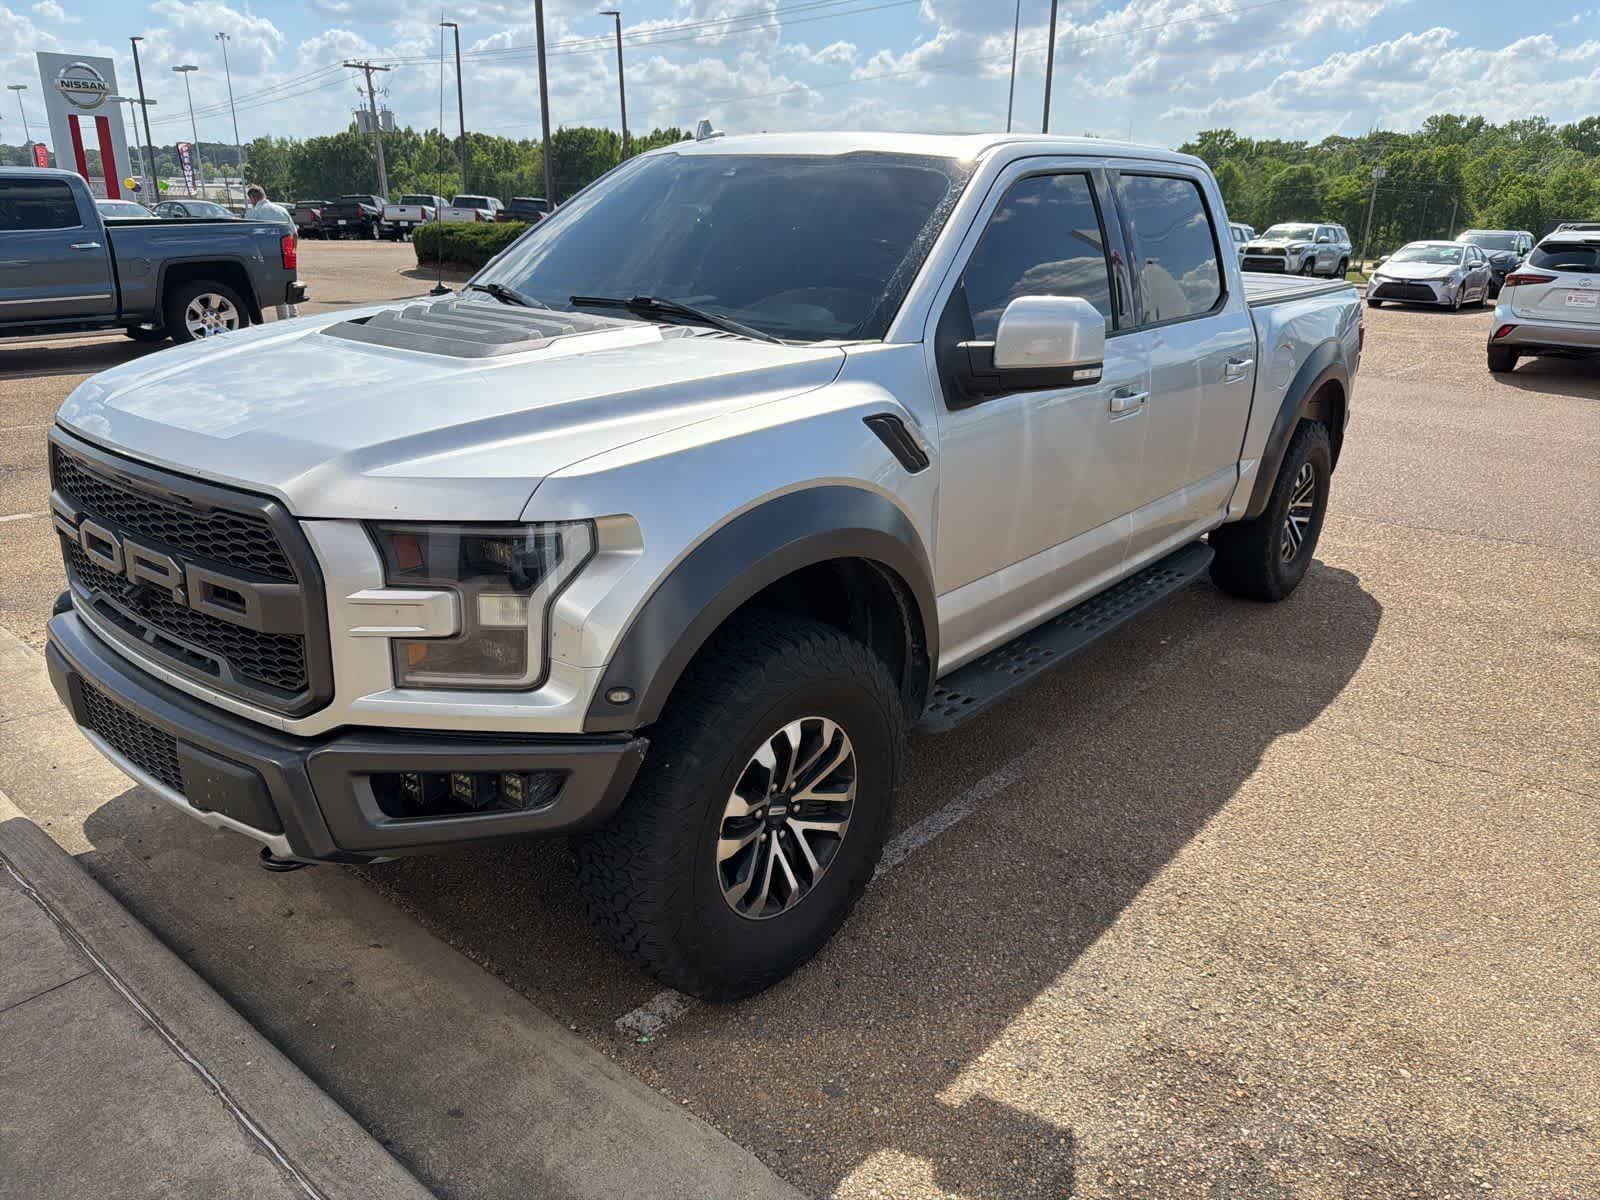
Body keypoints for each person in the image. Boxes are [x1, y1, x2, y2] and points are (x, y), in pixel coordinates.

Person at [243, 185, 299, 320]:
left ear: (253, 198)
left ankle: (283, 320)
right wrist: (292, 251)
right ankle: (294, 317)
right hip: (287, 251)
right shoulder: (281, 210)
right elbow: (295, 233)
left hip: (265, 254)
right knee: (289, 284)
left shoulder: (252, 213)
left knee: (276, 287)